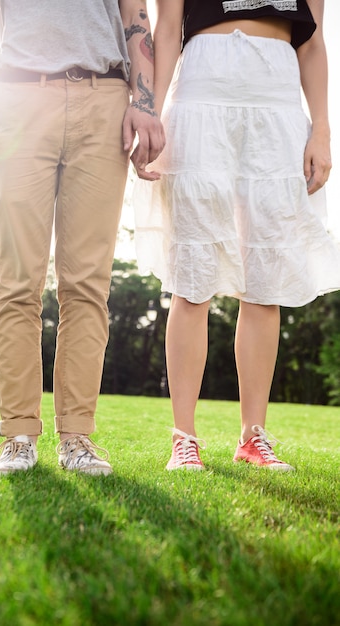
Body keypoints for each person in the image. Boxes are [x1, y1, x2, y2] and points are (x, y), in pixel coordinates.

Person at [0, 0, 164, 477]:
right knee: (18, 279)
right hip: (17, 94)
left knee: (88, 283)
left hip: (105, 97)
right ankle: (18, 436)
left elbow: (137, 16)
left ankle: (76, 437)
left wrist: (144, 103)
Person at [134, 0, 340, 471]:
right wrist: (152, 114)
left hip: (278, 109)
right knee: (193, 277)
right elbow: (167, 32)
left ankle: (253, 438)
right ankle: (183, 438)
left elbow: (312, 43)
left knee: (264, 281)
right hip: (201, 99)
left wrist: (323, 129)